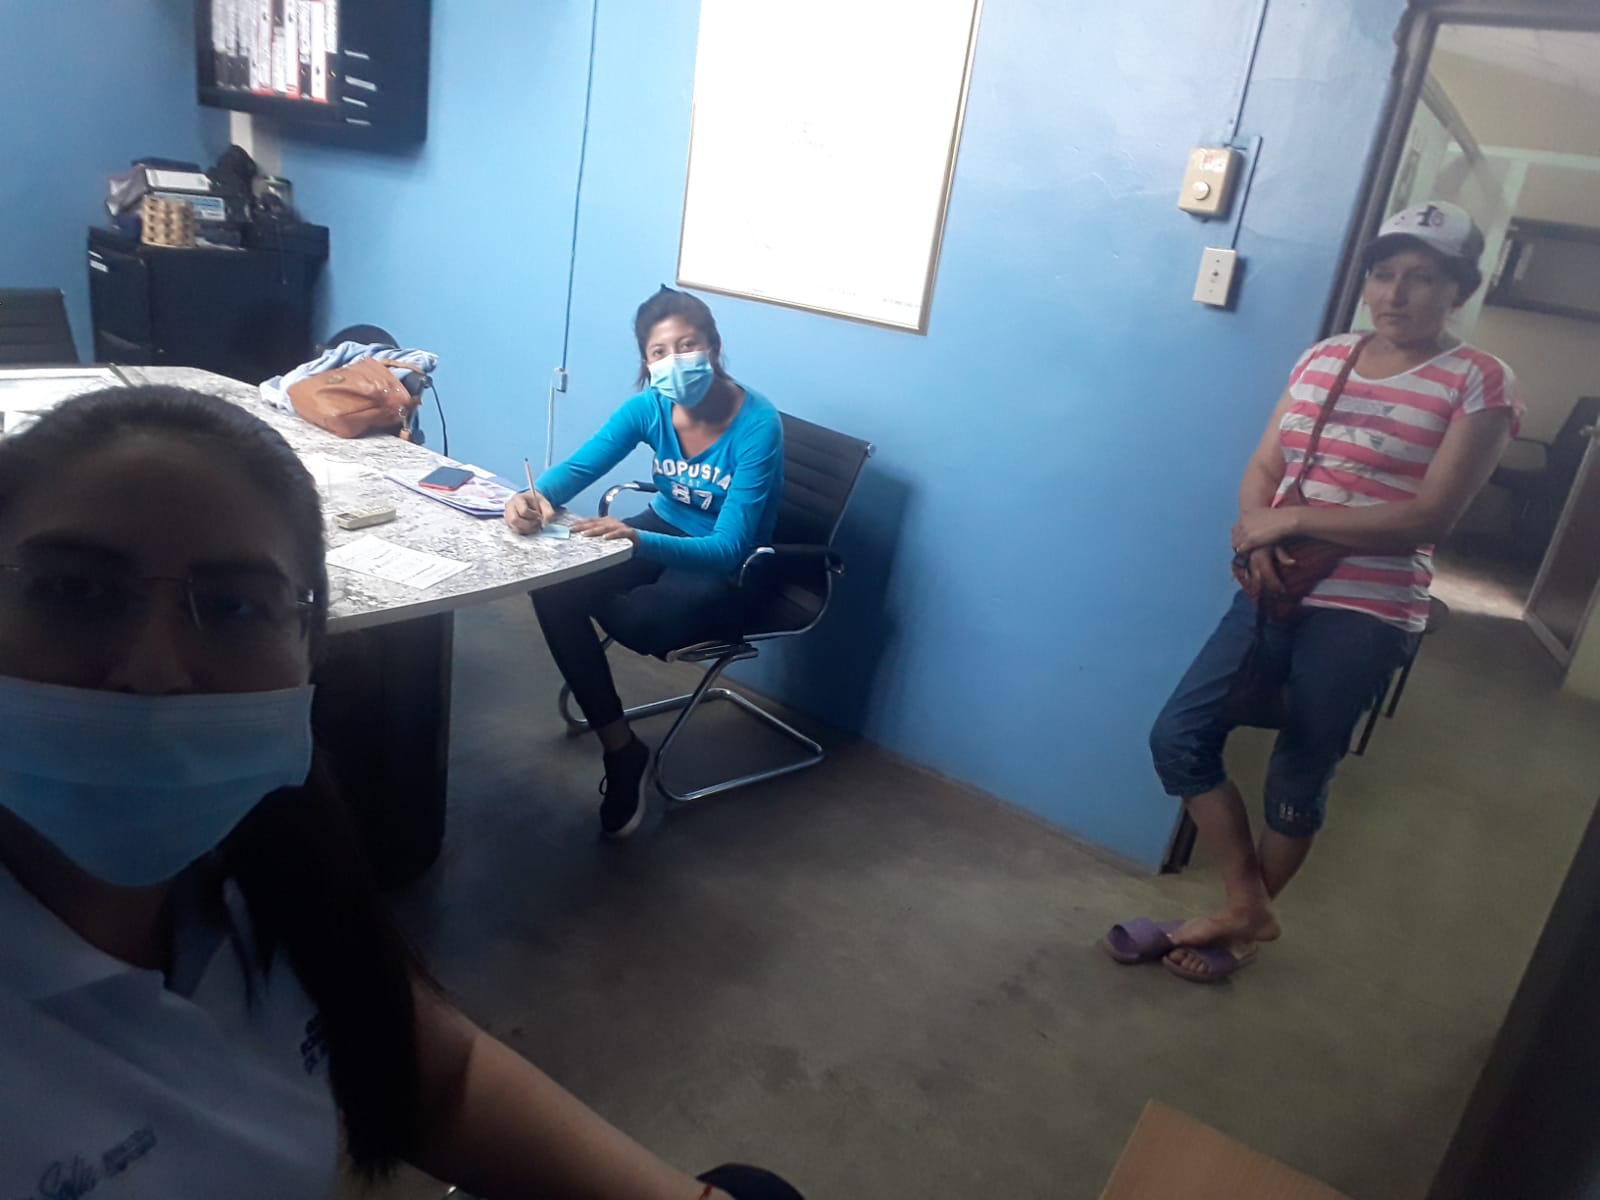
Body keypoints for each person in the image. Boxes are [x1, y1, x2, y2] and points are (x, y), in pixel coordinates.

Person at [0, 385, 800, 1199]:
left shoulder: (272, 871)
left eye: (234, 606)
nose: (153, 670)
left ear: (311, 654)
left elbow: (439, 1077)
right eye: (73, 592)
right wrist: (535, 501)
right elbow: (574, 470)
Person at [1111, 201, 1521, 983]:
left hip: (1368, 608)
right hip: (1276, 585)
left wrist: (1291, 519)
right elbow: (1267, 465)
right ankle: (1247, 906)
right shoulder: (1325, 357)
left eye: (1421, 277)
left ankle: (1234, 932)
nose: (1395, 293)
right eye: (1383, 273)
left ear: (1459, 290)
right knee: (1178, 736)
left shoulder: (1480, 382)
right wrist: (1255, 531)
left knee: (1300, 767)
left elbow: (1430, 516)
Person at [504, 287, 784, 838]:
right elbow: (578, 469)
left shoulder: (758, 424)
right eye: (659, 352)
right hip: (659, 530)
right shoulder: (650, 407)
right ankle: (621, 748)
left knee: (639, 620)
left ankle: (618, 735)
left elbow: (729, 547)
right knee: (554, 587)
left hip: (728, 566)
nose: (675, 360)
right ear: (646, 362)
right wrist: (534, 498)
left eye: (688, 345)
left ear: (714, 347)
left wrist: (633, 540)